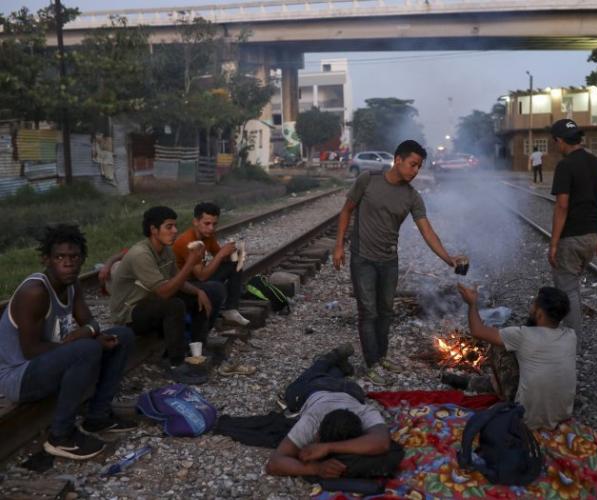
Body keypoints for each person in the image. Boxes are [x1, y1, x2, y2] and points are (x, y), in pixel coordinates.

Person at [332, 139, 467, 386]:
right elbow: (346, 210)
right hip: (363, 258)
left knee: (385, 312)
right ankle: (371, 364)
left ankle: (381, 358)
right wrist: (339, 246)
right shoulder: (368, 180)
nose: (415, 171)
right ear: (398, 160)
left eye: (419, 167)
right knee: (368, 311)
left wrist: (448, 259)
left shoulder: (412, 197)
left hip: (389, 260)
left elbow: (427, 231)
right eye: (412, 165)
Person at [0, 225, 136, 460]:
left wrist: (86, 332)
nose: (68, 263)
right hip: (19, 376)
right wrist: (79, 341)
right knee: (88, 349)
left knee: (121, 336)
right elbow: (30, 351)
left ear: (82, 259)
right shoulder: (35, 291)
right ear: (47, 260)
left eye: (74, 257)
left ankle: (97, 417)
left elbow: (90, 322)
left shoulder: (72, 285)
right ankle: (60, 436)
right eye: (60, 257)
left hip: (48, 363)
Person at [109, 206, 219, 385]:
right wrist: (190, 263)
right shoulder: (141, 254)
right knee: (174, 304)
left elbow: (178, 280)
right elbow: (165, 291)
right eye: (169, 227)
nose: (175, 231)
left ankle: (196, 350)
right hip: (129, 314)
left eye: (175, 226)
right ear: (154, 229)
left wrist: (199, 292)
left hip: (151, 303)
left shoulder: (166, 250)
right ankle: (175, 363)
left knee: (198, 297)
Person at [444, 284, 577, 430]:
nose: (530, 306)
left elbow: (477, 330)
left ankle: (498, 392)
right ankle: (484, 384)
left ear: (539, 313)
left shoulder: (523, 335)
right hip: (563, 415)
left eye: (534, 303)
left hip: (525, 419)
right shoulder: (571, 336)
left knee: (498, 345)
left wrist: (472, 303)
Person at [266, 344, 391, 479]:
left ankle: (336, 365)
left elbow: (382, 443)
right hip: (329, 389)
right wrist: (317, 468)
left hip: (348, 389)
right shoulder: (314, 419)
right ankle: (328, 360)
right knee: (296, 388)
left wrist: (327, 449)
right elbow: (273, 465)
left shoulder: (363, 413)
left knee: (318, 378)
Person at [548, 119, 597, 335]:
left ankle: (572, 345)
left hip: (572, 237)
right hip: (591, 237)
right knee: (573, 284)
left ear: (559, 140)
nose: (556, 146)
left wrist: (553, 244)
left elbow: (562, 206)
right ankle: (570, 337)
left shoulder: (565, 166)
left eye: (555, 142)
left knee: (568, 291)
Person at [172, 202, 249, 327]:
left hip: (197, 278)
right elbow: (201, 276)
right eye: (207, 223)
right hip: (186, 284)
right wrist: (221, 254)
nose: (211, 228)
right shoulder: (188, 241)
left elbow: (220, 257)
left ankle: (231, 309)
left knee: (235, 263)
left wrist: (234, 253)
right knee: (216, 286)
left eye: (214, 224)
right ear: (195, 222)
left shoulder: (207, 236)